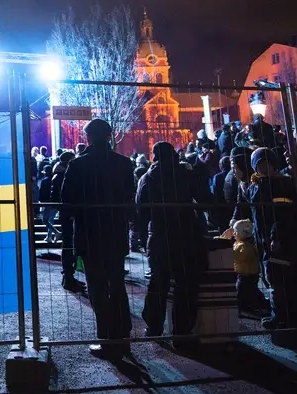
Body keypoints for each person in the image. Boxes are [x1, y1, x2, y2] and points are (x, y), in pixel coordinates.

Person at [60, 119, 135, 358]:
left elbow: (66, 200)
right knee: (116, 283)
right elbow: (128, 197)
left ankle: (106, 336)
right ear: (110, 136)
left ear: (88, 137)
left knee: (97, 287)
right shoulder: (123, 164)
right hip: (115, 232)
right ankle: (123, 334)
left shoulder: (78, 165)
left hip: (89, 233)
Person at [137, 141, 212, 339]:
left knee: (158, 282)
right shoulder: (185, 175)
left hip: (159, 234)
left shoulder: (147, 178)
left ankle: (154, 327)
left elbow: (141, 209)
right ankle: (182, 330)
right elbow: (205, 197)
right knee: (185, 283)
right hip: (185, 233)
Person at [247, 147, 297, 330]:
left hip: (279, 240)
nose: (263, 168)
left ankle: (282, 316)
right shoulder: (256, 185)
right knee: (273, 277)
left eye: (266, 164)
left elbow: (282, 214)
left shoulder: (280, 184)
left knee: (279, 279)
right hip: (264, 238)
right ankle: (287, 314)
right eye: (259, 164)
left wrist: (276, 236)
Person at [51, 150, 85, 293]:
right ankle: (68, 277)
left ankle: (69, 276)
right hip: (67, 214)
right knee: (69, 245)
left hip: (66, 213)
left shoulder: (58, 175)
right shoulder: (62, 176)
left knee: (69, 245)